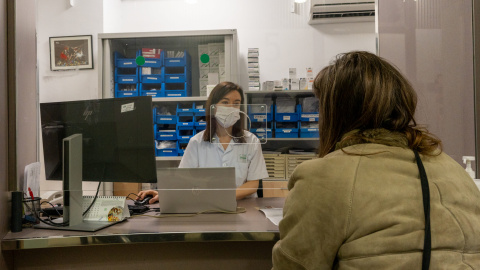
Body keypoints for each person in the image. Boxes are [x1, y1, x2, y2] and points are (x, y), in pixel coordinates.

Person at [272, 51, 480, 269]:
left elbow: (294, 264)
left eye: (320, 107)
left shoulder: (323, 176)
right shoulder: (451, 169)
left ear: (335, 113)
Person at [138, 81, 269, 204]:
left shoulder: (251, 141)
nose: (231, 108)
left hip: (244, 208)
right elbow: (184, 181)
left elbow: (253, 184)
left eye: (236, 103)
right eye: (225, 102)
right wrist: (164, 194)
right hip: (207, 207)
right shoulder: (197, 142)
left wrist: (223, 197)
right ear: (213, 107)